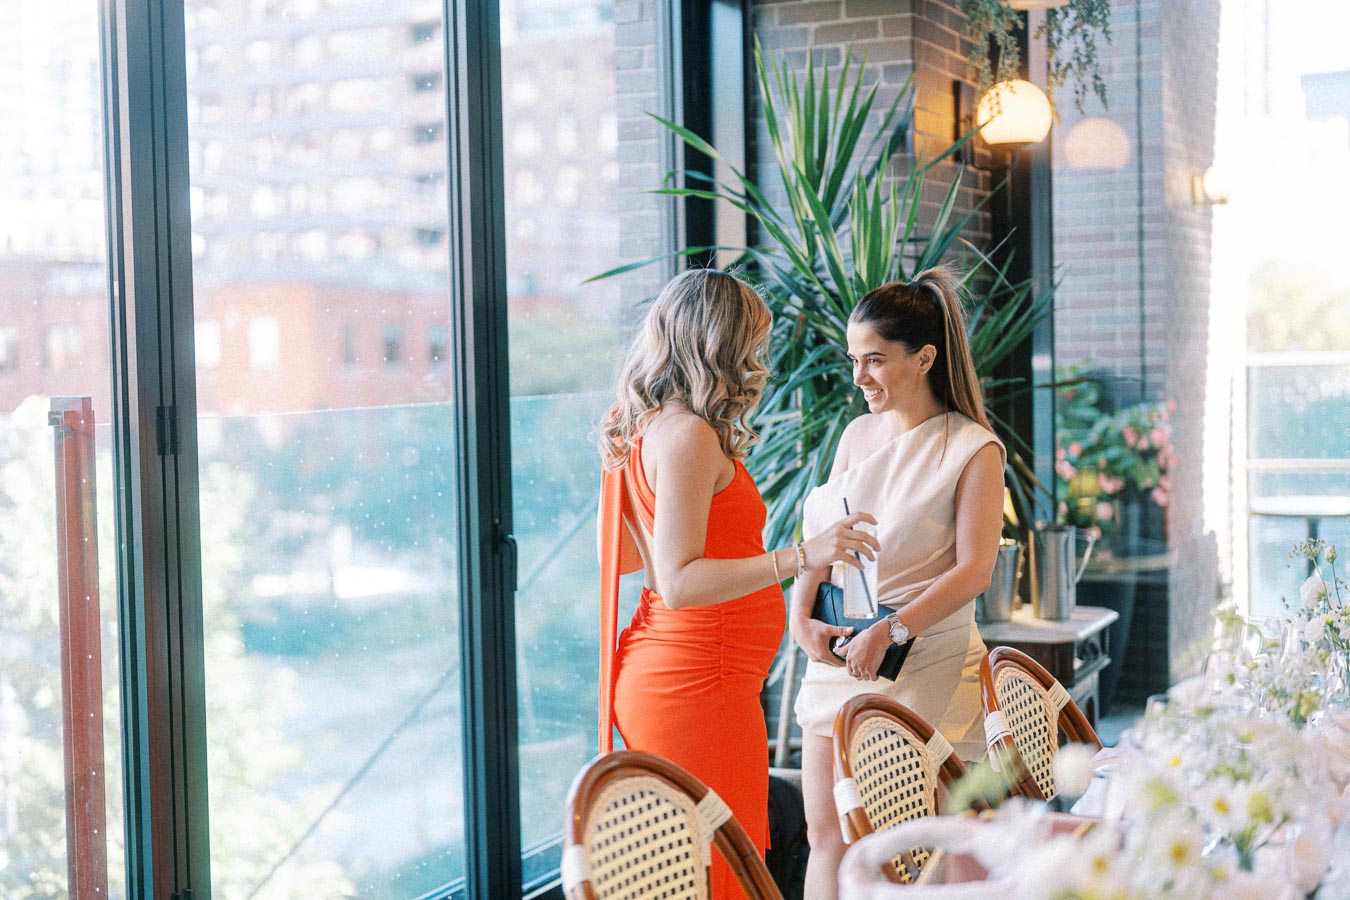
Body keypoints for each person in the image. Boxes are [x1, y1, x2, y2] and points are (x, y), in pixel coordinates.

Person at [597, 267, 878, 897]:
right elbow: (677, 582)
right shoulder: (689, 436)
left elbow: (622, 564)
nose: (758, 358)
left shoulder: (647, 428)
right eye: (751, 341)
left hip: (689, 677)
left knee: (696, 868)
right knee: (720, 870)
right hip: (698, 685)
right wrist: (802, 556)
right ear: (719, 342)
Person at [788, 267, 1006, 899]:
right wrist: (800, 617)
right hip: (838, 657)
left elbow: (975, 570)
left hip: (924, 664)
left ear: (925, 359)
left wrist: (892, 629)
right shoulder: (855, 437)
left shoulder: (972, 449)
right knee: (826, 834)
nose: (858, 377)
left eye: (875, 360)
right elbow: (827, 538)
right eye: (854, 359)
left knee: (914, 842)